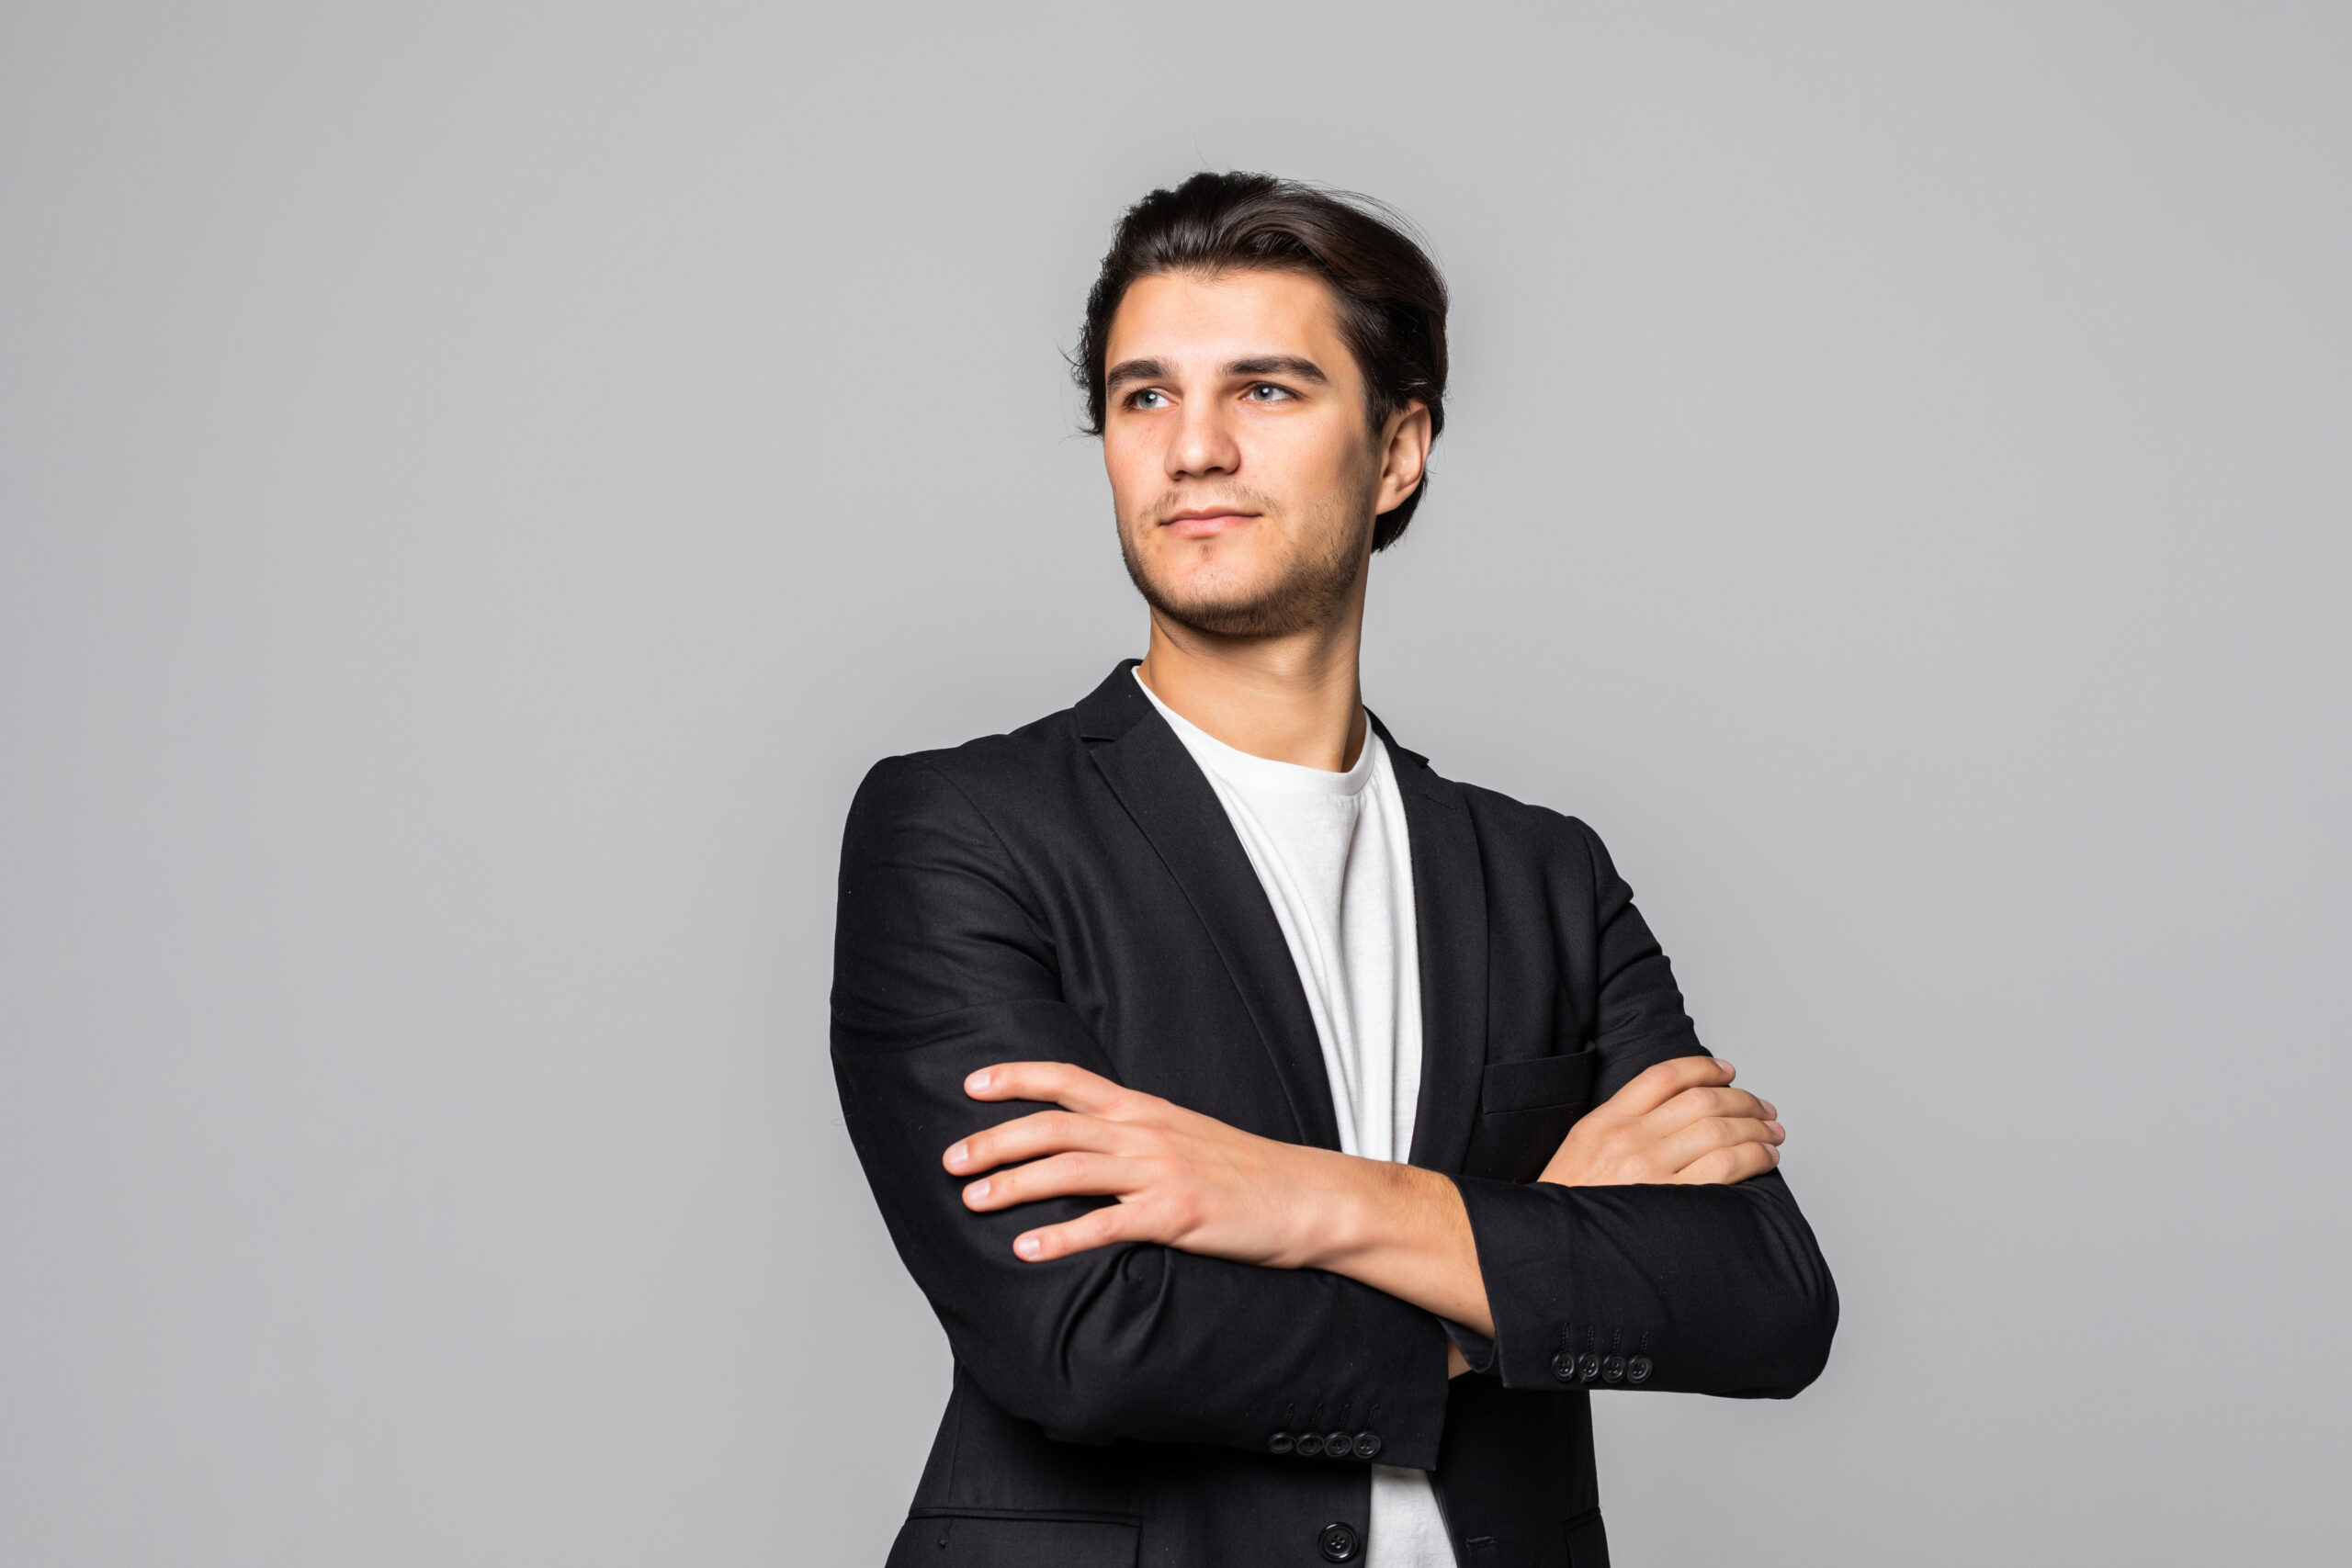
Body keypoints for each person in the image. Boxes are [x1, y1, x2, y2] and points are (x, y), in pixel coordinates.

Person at [831, 171, 1837, 1568]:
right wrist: (1531, 1258)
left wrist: (1301, 1198)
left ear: (1398, 451)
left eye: (1265, 392)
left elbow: (1762, 1300)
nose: (1191, 450)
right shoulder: (961, 832)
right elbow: (1090, 1341)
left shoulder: (1545, 875)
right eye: (1144, 397)